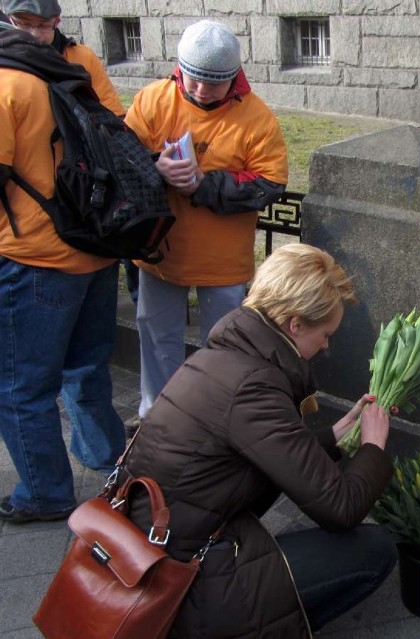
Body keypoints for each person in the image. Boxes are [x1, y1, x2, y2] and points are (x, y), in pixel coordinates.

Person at [123, 243, 397, 637]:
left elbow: (267, 449)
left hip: (155, 541)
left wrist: (336, 436)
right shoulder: (255, 386)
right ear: (294, 325)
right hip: (178, 572)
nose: (326, 346)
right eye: (325, 334)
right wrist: (373, 446)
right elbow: (341, 509)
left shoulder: (226, 356)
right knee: (375, 550)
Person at [124, 20, 288, 425]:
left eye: (212, 83)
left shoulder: (257, 118)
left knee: (222, 347)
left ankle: (211, 422)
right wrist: (153, 167)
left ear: (234, 78)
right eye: (192, 79)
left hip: (222, 262)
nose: (200, 91)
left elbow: (269, 183)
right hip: (160, 252)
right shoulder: (153, 100)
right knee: (156, 338)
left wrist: (203, 184)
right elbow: (121, 158)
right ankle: (155, 419)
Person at [0, 28, 126, 523]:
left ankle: (46, 492)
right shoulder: (76, 69)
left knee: (21, 389)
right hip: (95, 251)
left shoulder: (6, 86)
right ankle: (111, 464)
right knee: (86, 367)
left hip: (37, 259)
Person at [3, 0, 139, 302]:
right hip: (38, 247)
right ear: (8, 18)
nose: (35, 34)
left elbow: (115, 127)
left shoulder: (80, 57)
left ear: (58, 21)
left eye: (43, 25)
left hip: (86, 231)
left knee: (83, 348)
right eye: (24, 24)